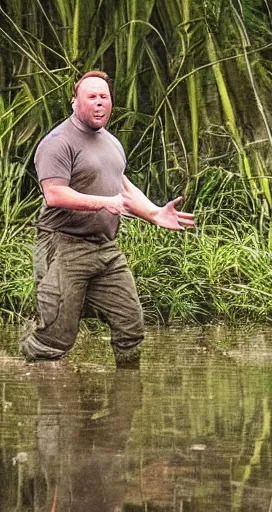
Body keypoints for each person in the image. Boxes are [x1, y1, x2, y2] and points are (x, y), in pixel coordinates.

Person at [21, 70, 194, 367]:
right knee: (56, 337)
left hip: (106, 249)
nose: (99, 103)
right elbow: (55, 194)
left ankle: (125, 392)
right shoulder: (58, 142)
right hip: (63, 246)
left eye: (104, 97)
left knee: (131, 324)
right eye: (92, 97)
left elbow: (122, 186)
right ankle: (27, 380)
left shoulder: (112, 143)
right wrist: (105, 203)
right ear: (75, 102)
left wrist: (154, 213)